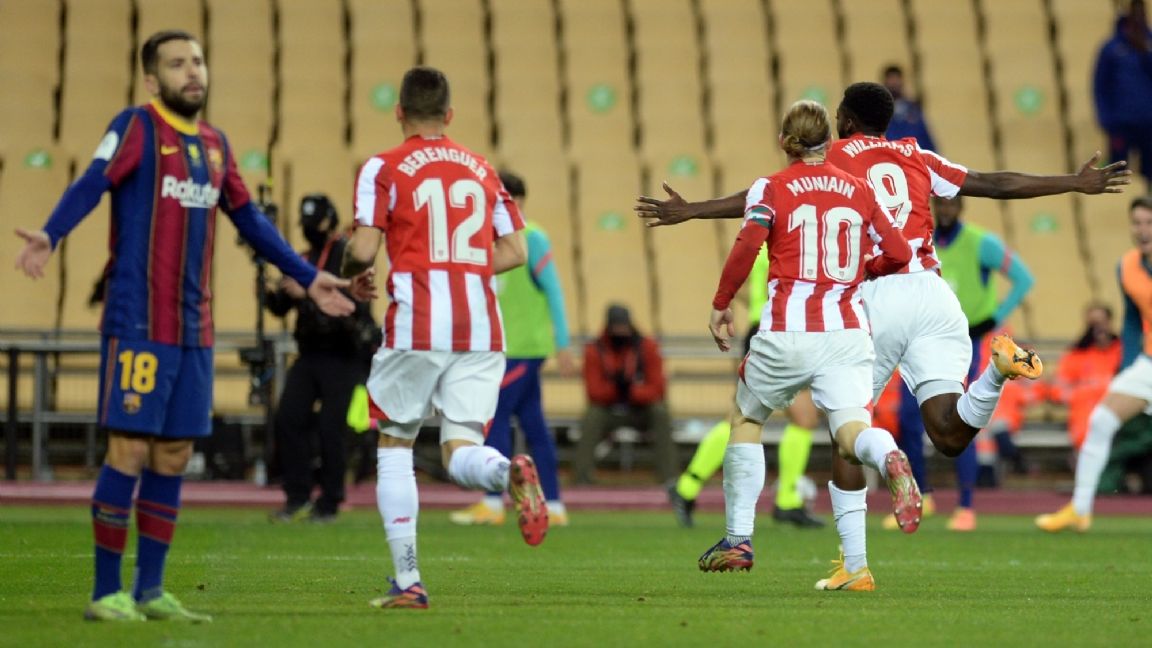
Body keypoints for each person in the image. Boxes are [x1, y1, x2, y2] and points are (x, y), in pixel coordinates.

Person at [635, 81, 1128, 590]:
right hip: (933, 294)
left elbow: (766, 197)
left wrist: (693, 210)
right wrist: (1073, 182)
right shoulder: (917, 156)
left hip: (874, 294)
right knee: (948, 433)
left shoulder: (834, 157)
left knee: (847, 430)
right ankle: (996, 375)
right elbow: (993, 182)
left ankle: (855, 565)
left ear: (845, 121)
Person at [12, 30, 354, 622]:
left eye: (197, 61)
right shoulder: (136, 127)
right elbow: (93, 179)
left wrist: (307, 276)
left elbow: (250, 219)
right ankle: (105, 592)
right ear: (153, 80)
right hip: (139, 323)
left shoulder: (216, 146)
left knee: (172, 456)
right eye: (177, 64)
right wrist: (52, 232)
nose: (192, 71)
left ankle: (149, 590)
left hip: (195, 330)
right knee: (129, 450)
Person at [342, 66, 545, 610]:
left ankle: (408, 580)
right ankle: (506, 470)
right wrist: (463, 267)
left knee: (395, 443)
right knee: (461, 450)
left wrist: (348, 274)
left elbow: (362, 249)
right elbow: (516, 251)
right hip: (480, 328)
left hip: (419, 322)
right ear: (449, 115)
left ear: (400, 112)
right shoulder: (482, 168)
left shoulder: (382, 167)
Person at [695, 99, 917, 577]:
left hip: (787, 330)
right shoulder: (859, 189)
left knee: (747, 417)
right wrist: (867, 269)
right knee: (850, 434)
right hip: (847, 333)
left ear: (784, 141)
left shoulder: (770, 187)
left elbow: (748, 245)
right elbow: (900, 253)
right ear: (829, 142)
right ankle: (888, 456)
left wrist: (722, 302)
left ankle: (738, 539)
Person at [450, 170, 578, 527]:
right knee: (534, 426)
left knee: (495, 419)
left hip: (522, 350)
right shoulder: (487, 239)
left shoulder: (532, 237)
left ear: (516, 201)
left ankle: (493, 502)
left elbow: (554, 291)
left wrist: (563, 344)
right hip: (502, 349)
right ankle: (554, 506)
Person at [667, 247, 825, 529]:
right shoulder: (786, 242)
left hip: (776, 330)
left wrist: (756, 301)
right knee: (754, 418)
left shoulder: (766, 242)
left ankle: (689, 487)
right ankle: (689, 487)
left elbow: (740, 281)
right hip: (774, 331)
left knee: (792, 418)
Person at [915, 194, 1034, 531]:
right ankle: (921, 497)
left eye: (951, 204)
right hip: (925, 340)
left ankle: (965, 505)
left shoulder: (982, 243)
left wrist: (995, 317)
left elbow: (1024, 279)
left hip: (966, 342)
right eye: (940, 204)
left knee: (961, 417)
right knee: (910, 419)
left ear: (961, 207)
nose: (946, 210)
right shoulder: (922, 243)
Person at [1036, 197, 1152, 532]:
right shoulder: (1127, 266)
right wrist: (1127, 365)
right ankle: (1080, 509)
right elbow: (1132, 320)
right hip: (1148, 363)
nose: (1142, 230)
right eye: (1137, 223)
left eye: (1149, 223)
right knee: (1101, 422)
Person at [266, 194, 380, 523]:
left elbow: (353, 307)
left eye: (313, 223)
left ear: (328, 221)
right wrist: (269, 290)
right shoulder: (304, 258)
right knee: (289, 418)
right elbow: (281, 306)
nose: (309, 229)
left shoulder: (347, 255)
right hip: (310, 353)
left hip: (343, 354)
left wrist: (307, 294)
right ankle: (297, 496)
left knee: (332, 428)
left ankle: (330, 501)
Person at [573, 304, 675, 485]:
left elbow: (657, 388)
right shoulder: (595, 349)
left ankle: (669, 477)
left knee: (660, 412)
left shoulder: (647, 347)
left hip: (640, 410)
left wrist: (631, 391)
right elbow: (593, 391)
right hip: (609, 409)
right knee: (592, 416)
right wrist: (615, 389)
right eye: (616, 327)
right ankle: (582, 477)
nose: (620, 332)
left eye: (623, 327)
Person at [1094, 0, 1152, 187]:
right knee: (1118, 173)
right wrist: (1106, 119)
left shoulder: (1149, 44)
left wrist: (1146, 53)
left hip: (1149, 123)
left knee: (1149, 173)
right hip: (1120, 124)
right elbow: (1100, 86)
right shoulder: (1111, 48)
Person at [1050, 302, 1123, 450]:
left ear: (1110, 322)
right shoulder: (1077, 354)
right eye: (1093, 324)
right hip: (1086, 414)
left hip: (1118, 410)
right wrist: (1085, 392)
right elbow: (1057, 390)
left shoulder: (1123, 351)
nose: (1098, 328)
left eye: (1102, 322)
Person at [882, 64, 937, 152]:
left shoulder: (914, 110)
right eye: (891, 79)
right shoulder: (879, 111)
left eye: (896, 78)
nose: (894, 83)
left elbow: (927, 142)